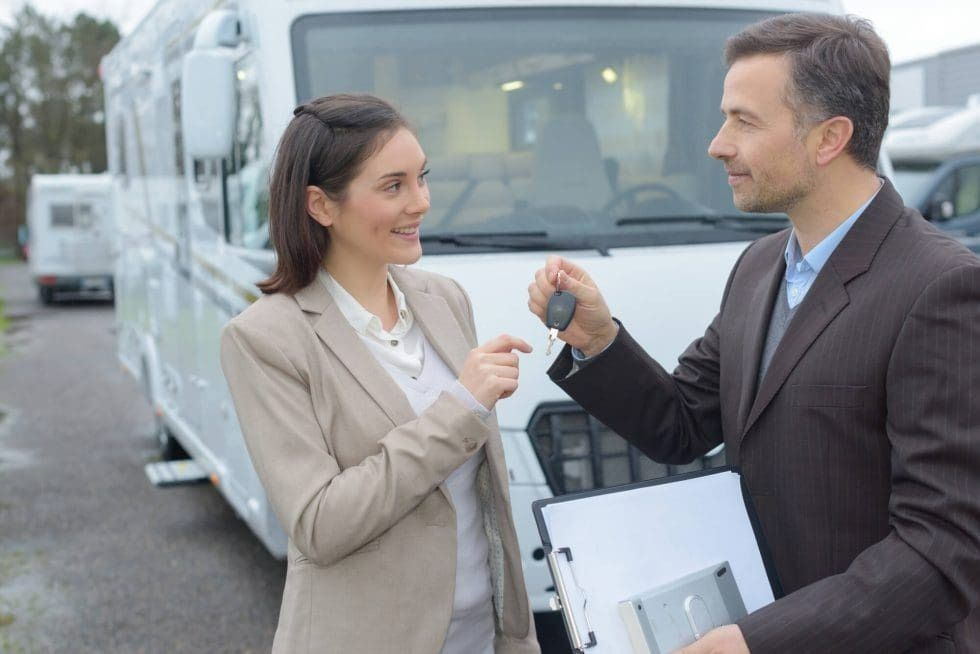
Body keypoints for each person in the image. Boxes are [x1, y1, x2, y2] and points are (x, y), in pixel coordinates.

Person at [528, 13, 980, 654]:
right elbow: (680, 424)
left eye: (744, 120)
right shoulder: (760, 266)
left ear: (829, 138)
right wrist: (598, 339)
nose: (717, 144)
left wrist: (753, 641)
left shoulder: (942, 286)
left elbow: (943, 551)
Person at [221, 94, 540, 654]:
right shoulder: (265, 338)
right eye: (393, 186)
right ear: (321, 205)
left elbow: (486, 500)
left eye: (422, 178)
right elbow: (320, 525)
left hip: (481, 638)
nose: (419, 202)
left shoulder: (446, 299)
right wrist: (460, 410)